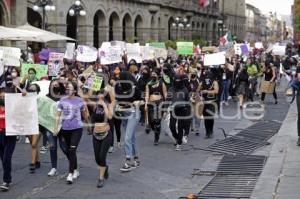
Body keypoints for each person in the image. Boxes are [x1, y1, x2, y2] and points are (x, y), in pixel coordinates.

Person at [54, 81, 89, 184]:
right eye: (67, 88)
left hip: (77, 128)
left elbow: (84, 114)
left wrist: (88, 124)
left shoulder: (79, 100)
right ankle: (76, 169)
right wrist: (55, 128)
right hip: (65, 129)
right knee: (69, 150)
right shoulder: (62, 100)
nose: (68, 90)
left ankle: (70, 173)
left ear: (74, 90)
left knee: (72, 149)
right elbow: (57, 115)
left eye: (70, 88)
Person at [115, 71, 142, 172]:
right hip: (124, 113)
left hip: (134, 113)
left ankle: (128, 161)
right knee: (132, 137)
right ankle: (136, 159)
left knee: (127, 138)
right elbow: (118, 100)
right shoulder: (120, 88)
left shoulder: (135, 88)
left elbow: (143, 100)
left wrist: (137, 102)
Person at [89, 88, 114, 188]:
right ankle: (105, 167)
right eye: (98, 95)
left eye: (101, 95)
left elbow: (110, 117)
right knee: (97, 158)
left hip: (106, 134)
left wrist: (104, 105)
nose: (100, 97)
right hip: (96, 134)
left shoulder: (109, 105)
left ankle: (101, 178)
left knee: (102, 157)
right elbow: (85, 98)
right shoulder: (94, 106)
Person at [46, 79, 67, 177]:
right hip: (50, 125)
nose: (55, 86)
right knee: (52, 147)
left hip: (62, 125)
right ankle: (54, 167)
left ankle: (73, 165)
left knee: (64, 147)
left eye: (56, 85)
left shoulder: (64, 97)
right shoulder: (47, 97)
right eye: (53, 85)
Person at [168, 74, 191, 151]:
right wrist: (165, 110)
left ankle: (179, 143)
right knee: (172, 126)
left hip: (182, 109)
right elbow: (168, 99)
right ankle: (178, 138)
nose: (177, 82)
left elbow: (188, 99)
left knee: (180, 127)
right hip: (173, 109)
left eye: (179, 80)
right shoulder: (171, 89)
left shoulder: (184, 89)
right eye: (176, 80)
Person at [0, 88, 17, 192]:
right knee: (3, 159)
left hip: (10, 134)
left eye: (4, 97)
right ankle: (8, 177)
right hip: (0, 134)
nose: (2, 98)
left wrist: (24, 95)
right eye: (0, 97)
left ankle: (6, 181)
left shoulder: (13, 108)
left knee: (7, 158)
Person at [145, 70, 167, 145]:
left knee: (157, 121)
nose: (153, 75)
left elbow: (165, 94)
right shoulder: (148, 84)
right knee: (152, 121)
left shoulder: (162, 83)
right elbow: (147, 94)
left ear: (157, 75)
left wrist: (166, 106)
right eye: (152, 74)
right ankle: (155, 129)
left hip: (160, 103)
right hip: (151, 103)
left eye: (154, 74)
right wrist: (146, 104)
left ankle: (156, 138)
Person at [197, 69, 219, 138]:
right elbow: (197, 91)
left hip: (212, 103)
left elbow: (216, 91)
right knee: (206, 118)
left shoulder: (214, 82)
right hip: (205, 103)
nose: (207, 77)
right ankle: (207, 132)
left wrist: (207, 91)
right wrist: (200, 94)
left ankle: (211, 131)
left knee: (210, 117)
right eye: (206, 76)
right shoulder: (202, 82)